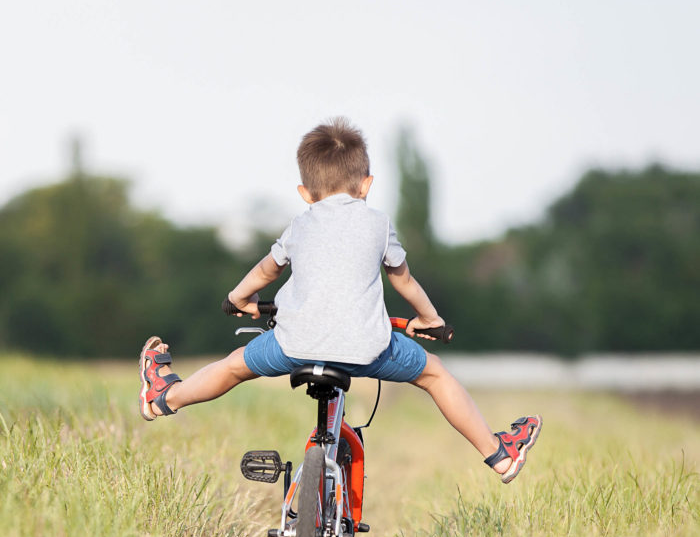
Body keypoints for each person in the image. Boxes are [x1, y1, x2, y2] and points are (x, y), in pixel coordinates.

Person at [139, 118, 541, 483]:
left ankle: (162, 398)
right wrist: (430, 319)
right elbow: (403, 280)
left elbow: (266, 271)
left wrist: (238, 298)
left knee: (232, 367)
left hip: (292, 347)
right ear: (366, 184)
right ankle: (498, 455)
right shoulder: (378, 223)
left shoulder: (300, 224)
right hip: (367, 351)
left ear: (304, 193)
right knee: (435, 374)